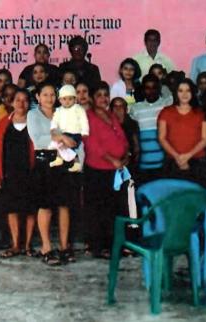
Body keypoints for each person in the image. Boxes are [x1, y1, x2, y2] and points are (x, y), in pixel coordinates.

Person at [27, 82, 78, 265]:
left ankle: (64, 247)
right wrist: (61, 138)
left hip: (63, 161)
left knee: (64, 205)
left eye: (52, 94)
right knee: (45, 205)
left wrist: (65, 139)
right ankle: (46, 247)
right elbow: (38, 139)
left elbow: (73, 138)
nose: (49, 98)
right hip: (44, 163)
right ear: (38, 97)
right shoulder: (32, 114)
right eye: (45, 94)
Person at [0, 89, 36, 259]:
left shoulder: (35, 122)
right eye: (18, 100)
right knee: (12, 209)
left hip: (31, 172)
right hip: (9, 174)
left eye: (25, 100)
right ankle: (15, 245)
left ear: (29, 103)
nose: (21, 104)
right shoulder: (3, 125)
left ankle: (28, 245)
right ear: (12, 102)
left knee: (30, 209)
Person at [83, 82, 129, 258]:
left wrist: (125, 157)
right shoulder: (88, 117)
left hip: (116, 170)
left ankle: (114, 245)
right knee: (99, 210)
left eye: (105, 94)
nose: (103, 98)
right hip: (97, 170)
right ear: (93, 99)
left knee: (115, 208)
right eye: (99, 95)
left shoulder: (112, 116)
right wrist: (113, 160)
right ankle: (99, 246)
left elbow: (123, 139)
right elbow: (92, 145)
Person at [157, 78, 206, 185]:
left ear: (193, 92)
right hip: (172, 162)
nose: (184, 94)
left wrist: (188, 156)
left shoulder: (202, 112)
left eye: (188, 90)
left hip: (196, 162)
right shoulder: (166, 112)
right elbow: (162, 138)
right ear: (175, 93)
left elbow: (205, 139)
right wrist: (178, 157)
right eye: (180, 90)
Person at [129, 75, 168, 183]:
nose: (150, 91)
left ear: (158, 89)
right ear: (143, 89)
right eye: (147, 88)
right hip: (143, 165)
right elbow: (132, 133)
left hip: (162, 165)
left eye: (154, 87)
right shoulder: (136, 108)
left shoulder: (166, 105)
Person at [48, 85, 89, 172]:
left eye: (70, 99)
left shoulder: (78, 109)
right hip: (64, 133)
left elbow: (84, 120)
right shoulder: (59, 110)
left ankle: (77, 163)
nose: (67, 101)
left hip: (76, 133)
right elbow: (55, 120)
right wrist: (53, 128)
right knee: (59, 143)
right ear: (60, 100)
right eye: (64, 99)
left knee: (70, 148)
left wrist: (85, 132)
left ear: (75, 99)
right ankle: (59, 158)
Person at [111, 97, 140, 173]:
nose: (118, 109)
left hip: (130, 162)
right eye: (115, 106)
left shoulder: (132, 124)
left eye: (121, 106)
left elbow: (136, 146)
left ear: (126, 109)